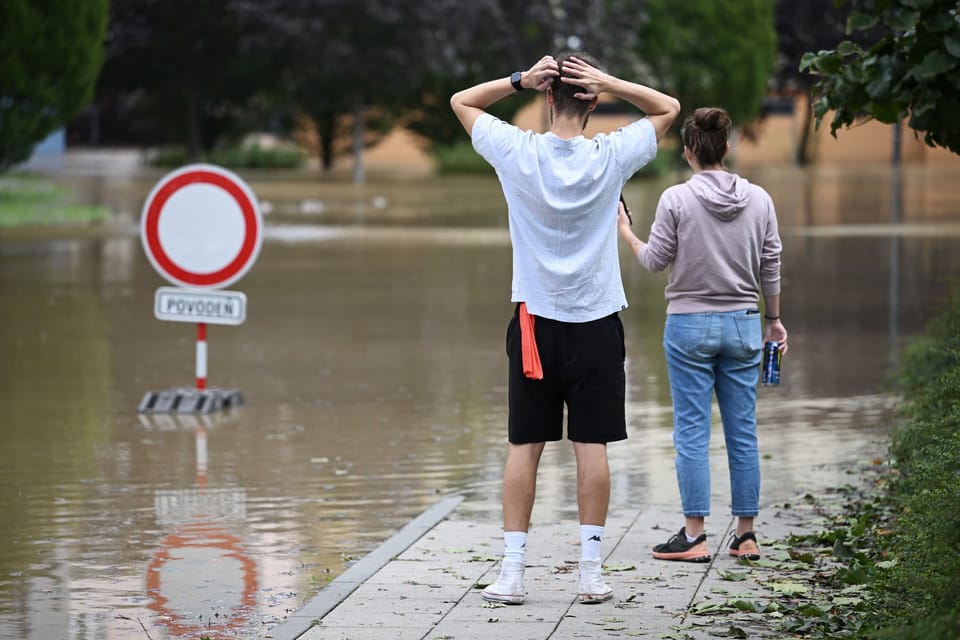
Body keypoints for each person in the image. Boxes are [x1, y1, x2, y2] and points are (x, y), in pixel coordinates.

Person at [450, 53, 680, 604]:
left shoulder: (516, 151)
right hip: (596, 320)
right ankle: (591, 572)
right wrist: (613, 82)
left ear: (546, 97)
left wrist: (516, 80)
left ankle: (511, 574)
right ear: (593, 101)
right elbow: (668, 108)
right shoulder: (611, 155)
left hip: (533, 324)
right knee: (590, 444)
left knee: (524, 446)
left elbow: (461, 101)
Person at [617, 107, 788, 563]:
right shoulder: (760, 200)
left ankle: (694, 536)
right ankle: (746, 535)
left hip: (689, 325)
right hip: (743, 323)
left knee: (692, 432)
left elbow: (655, 261)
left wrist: (627, 233)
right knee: (743, 432)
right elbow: (771, 264)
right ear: (727, 149)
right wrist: (773, 319)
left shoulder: (676, 199)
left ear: (689, 152)